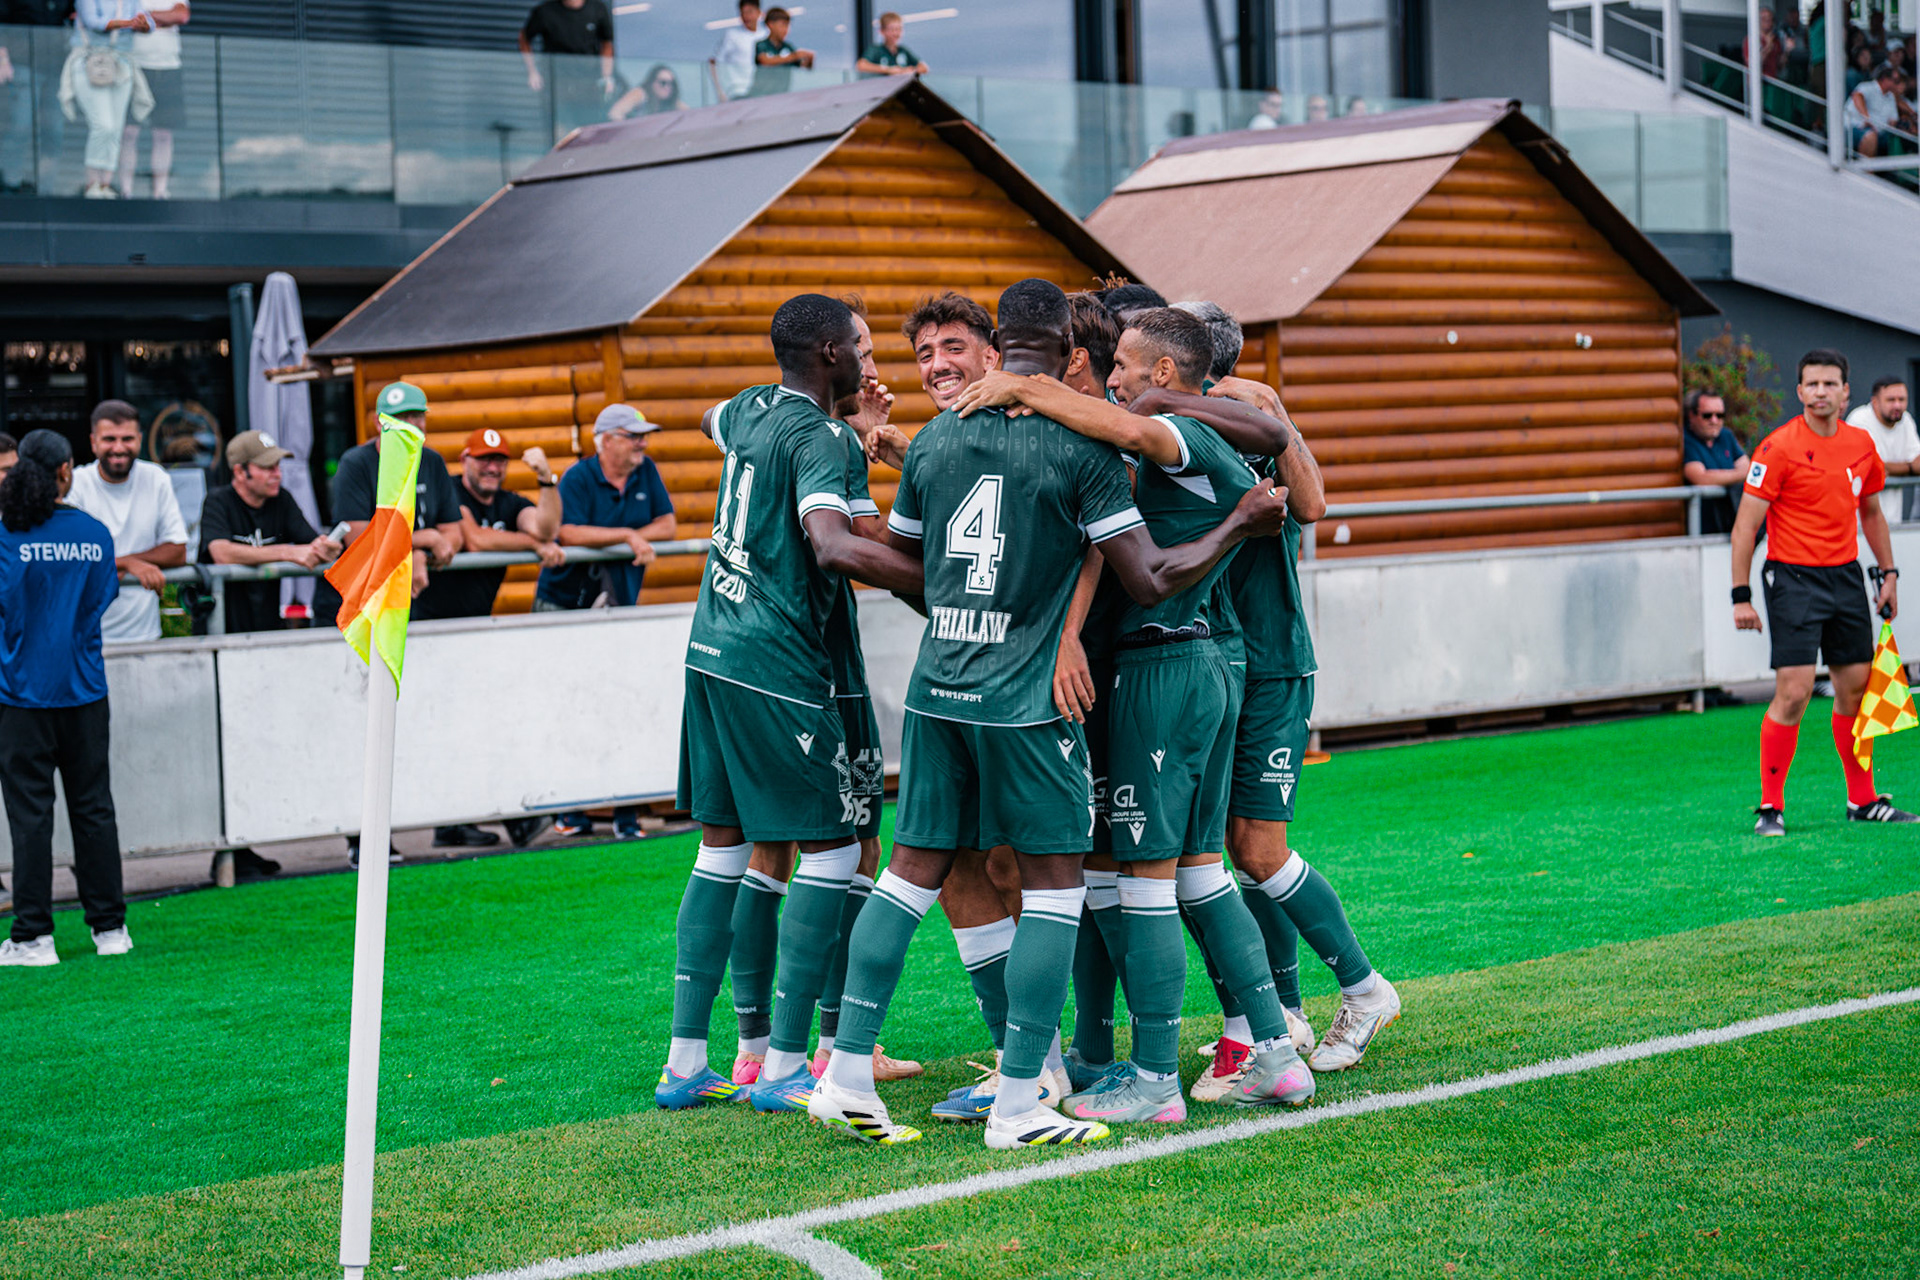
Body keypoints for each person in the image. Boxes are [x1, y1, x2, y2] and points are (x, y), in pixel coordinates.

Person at [810, 282, 1294, 1150]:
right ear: (1068, 345)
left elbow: (910, 563)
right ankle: (1022, 1101)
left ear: (998, 344)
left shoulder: (935, 443)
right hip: (1027, 700)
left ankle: (843, 1073)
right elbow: (1144, 576)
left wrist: (976, 600)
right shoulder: (1081, 446)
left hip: (937, 688)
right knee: (1061, 890)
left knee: (908, 873)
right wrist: (1234, 530)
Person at [946, 304, 1317, 1131]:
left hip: (1164, 663)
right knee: (1196, 871)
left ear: (1159, 373)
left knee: (1149, 883)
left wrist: (1021, 388)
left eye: (1121, 365)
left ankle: (1154, 1079)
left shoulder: (1170, 432)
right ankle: (1276, 1051)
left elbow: (1143, 526)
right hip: (1200, 662)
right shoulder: (1206, 428)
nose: (1110, 379)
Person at [655, 294, 926, 1115]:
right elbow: (834, 543)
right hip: (780, 662)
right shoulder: (822, 438)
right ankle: (781, 1067)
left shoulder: (746, 411)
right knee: (838, 852)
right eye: (865, 350)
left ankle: (687, 1062)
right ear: (832, 355)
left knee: (723, 849)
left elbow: (710, 420)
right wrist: (954, 594)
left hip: (712, 652)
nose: (874, 365)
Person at [1732, 349, 1914, 834]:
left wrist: (1889, 573)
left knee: (1854, 690)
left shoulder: (1860, 444)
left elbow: (1871, 513)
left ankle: (1864, 801)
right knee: (1792, 693)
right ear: (1799, 391)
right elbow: (1745, 527)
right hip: (1791, 579)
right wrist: (1740, 595)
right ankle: (1771, 807)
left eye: (1829, 384)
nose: (1820, 392)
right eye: (1811, 384)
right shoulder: (1777, 447)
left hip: (1846, 577)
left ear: (1845, 391)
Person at [0, 430, 129, 967]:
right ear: (66, 471)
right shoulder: (94, 534)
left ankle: (34, 937)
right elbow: (101, 600)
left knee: (30, 817)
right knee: (94, 808)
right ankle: (110, 929)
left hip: (20, 695)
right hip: (84, 692)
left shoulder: (6, 535)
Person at [537, 404, 674, 840]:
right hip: (565, 608)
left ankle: (626, 812)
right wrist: (627, 537)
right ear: (607, 440)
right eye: (633, 436)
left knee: (623, 704)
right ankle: (568, 809)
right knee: (568, 708)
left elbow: (668, 525)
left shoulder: (645, 471)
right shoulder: (578, 476)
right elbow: (568, 533)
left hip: (619, 610)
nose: (642, 443)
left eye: (643, 435)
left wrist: (636, 536)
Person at [427, 427, 564, 850]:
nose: (492, 467)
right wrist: (533, 545)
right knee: (441, 727)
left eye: (500, 460)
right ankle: (453, 821)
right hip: (425, 629)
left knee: (474, 722)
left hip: (471, 632)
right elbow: (476, 539)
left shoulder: (508, 502)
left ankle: (472, 820)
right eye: (484, 459)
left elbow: (547, 525)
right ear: (465, 459)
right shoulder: (449, 491)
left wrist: (546, 480)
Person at [314, 381, 463, 631]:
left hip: (411, 601)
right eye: (400, 418)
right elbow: (358, 539)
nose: (411, 425)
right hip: (355, 605)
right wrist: (424, 539)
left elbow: (453, 534)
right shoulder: (356, 463)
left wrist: (420, 554)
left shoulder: (432, 461)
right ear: (377, 422)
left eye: (417, 417)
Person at [65, 398, 187, 644]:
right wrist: (131, 565)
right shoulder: (75, 483)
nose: (119, 448)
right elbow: (70, 558)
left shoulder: (156, 478)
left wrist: (126, 562)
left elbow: (177, 551)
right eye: (109, 439)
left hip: (146, 634)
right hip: (85, 637)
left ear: (140, 440)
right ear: (93, 442)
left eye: (127, 439)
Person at [197, 430, 340, 634]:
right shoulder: (218, 501)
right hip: (221, 631)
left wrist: (326, 548)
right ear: (239, 472)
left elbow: (311, 542)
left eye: (278, 466)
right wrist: (287, 552)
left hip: (268, 627)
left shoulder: (281, 499)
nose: (277, 474)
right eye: (267, 467)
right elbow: (221, 553)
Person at [71, 0, 150, 199]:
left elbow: (147, 22)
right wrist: (129, 23)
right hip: (89, 62)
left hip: (121, 63)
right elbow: (94, 22)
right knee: (103, 125)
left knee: (115, 127)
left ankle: (106, 184)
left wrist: (142, 24)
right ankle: (92, 184)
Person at [114, 0, 185, 199]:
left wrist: (148, 17)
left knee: (163, 134)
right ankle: (126, 190)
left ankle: (160, 191)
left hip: (169, 68)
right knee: (129, 132)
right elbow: (124, 20)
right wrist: (163, 18)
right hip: (134, 66)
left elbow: (181, 16)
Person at [519, 0, 615, 133]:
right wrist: (532, 72)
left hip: (588, 83)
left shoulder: (597, 9)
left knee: (589, 130)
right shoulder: (545, 11)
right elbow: (524, 38)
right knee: (559, 128)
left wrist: (606, 76)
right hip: (557, 82)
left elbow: (607, 43)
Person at [1845, 376, 1919, 524]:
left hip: (1893, 521)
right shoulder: (1859, 420)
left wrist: (1894, 468)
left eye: (1902, 399)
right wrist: (1909, 467)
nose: (1897, 405)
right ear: (1875, 402)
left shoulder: (1906, 420)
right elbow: (1872, 467)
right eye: (1891, 400)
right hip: (1860, 525)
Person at [1681, 389, 1751, 535]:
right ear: (1691, 415)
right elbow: (1700, 477)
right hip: (1701, 533)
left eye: (1720, 415)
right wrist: (1739, 475)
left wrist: (1719, 477)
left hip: (1731, 529)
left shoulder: (1726, 435)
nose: (1714, 421)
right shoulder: (1685, 440)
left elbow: (1746, 465)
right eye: (1707, 415)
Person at [750, 7, 811, 97]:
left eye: (787, 26)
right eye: (782, 25)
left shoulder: (788, 47)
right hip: (761, 96)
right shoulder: (762, 45)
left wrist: (809, 58)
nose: (785, 30)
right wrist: (793, 56)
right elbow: (765, 61)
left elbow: (802, 66)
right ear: (770, 25)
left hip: (782, 95)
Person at [1845, 62, 1901, 156]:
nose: (1897, 84)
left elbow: (1893, 120)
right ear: (1885, 79)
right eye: (1895, 81)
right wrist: (1867, 118)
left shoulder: (1891, 96)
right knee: (1870, 136)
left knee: (1900, 137)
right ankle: (1866, 170)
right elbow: (1857, 97)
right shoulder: (1867, 86)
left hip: (1879, 132)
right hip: (1855, 126)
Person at [710, 0, 761, 102]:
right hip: (737, 92)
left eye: (750, 12)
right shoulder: (732, 35)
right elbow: (715, 63)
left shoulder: (766, 34)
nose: (746, 17)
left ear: (758, 13)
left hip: (760, 92)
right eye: (743, 13)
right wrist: (720, 92)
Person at [856, 11, 926, 77]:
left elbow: (923, 67)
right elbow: (861, 65)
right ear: (882, 31)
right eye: (892, 30)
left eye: (899, 29)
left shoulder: (902, 50)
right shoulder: (875, 50)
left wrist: (907, 71)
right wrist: (889, 70)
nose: (895, 33)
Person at [608, 62, 687, 119]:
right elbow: (615, 113)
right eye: (663, 83)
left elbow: (689, 115)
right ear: (652, 83)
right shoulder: (641, 94)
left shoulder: (673, 102)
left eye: (672, 83)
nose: (668, 87)